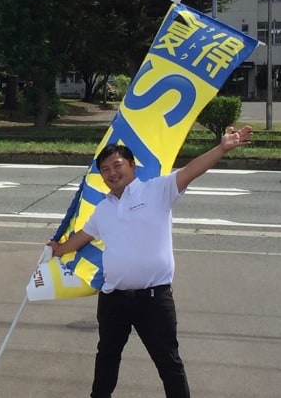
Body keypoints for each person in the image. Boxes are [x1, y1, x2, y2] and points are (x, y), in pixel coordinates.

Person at [47, 125, 253, 398]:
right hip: (113, 298)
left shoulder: (157, 190)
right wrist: (59, 249)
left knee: (168, 362)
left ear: (132, 166)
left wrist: (222, 147)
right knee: (106, 359)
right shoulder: (103, 209)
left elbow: (192, 169)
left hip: (154, 299)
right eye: (105, 170)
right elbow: (83, 237)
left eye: (117, 165)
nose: (112, 173)